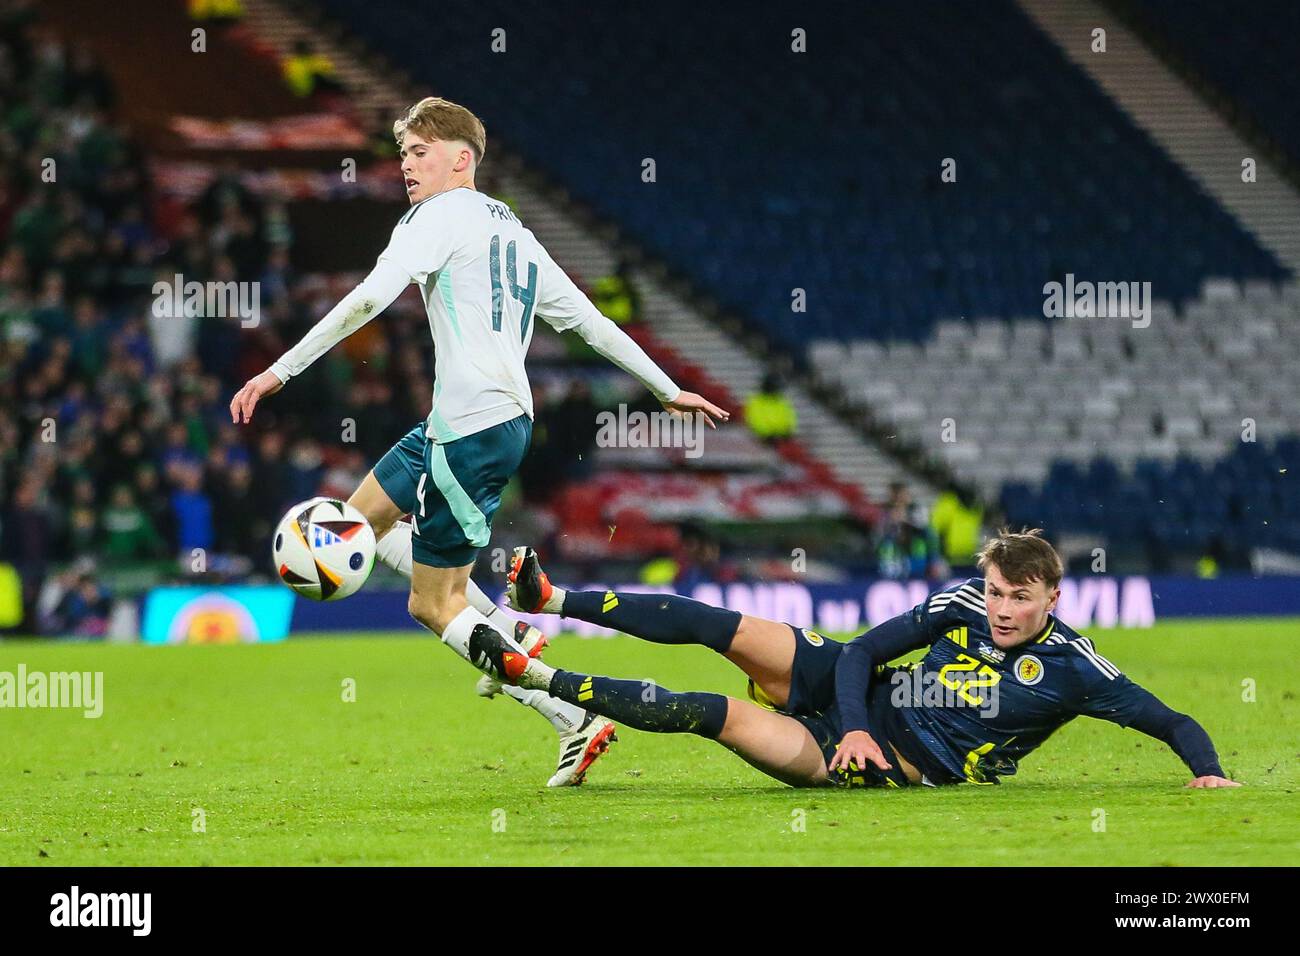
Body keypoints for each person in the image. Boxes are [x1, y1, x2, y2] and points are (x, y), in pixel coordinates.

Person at [229, 96, 728, 786]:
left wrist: (281, 368)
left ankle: (567, 711)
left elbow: (371, 297)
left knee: (433, 603)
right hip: (469, 422)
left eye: (420, 152)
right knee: (359, 523)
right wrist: (665, 387)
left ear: (461, 158)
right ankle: (513, 635)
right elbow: (588, 321)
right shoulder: (514, 233)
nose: (406, 164)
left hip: (472, 429)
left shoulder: (433, 218)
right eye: (403, 153)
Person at [473, 532, 1238, 791]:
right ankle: (551, 596)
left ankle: (537, 677)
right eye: (998, 590)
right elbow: (867, 649)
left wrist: (1206, 770)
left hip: (899, 757)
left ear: (1052, 599)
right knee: (721, 624)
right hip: (855, 696)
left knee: (714, 713)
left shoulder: (1076, 668)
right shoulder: (965, 602)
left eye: (1018, 598)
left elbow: (1170, 719)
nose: (1001, 608)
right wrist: (854, 723)